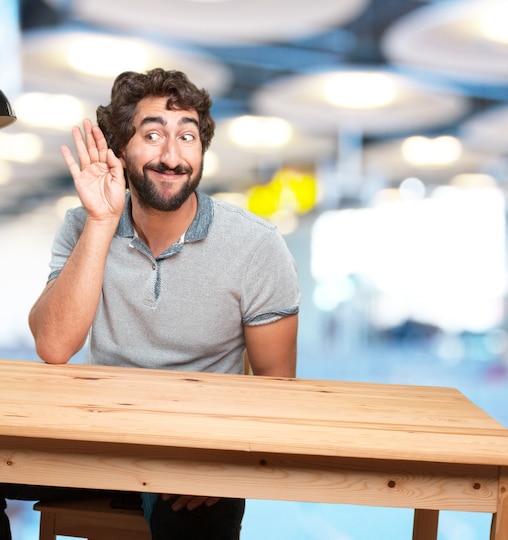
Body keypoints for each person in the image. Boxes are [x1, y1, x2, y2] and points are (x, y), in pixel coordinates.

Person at [0, 68, 300, 540]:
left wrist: (224, 460)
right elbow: (54, 346)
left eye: (188, 136)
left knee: (196, 524)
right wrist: (102, 220)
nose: (172, 155)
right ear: (120, 149)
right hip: (92, 438)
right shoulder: (82, 224)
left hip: (196, 448)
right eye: (153, 134)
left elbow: (277, 384)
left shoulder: (257, 246)